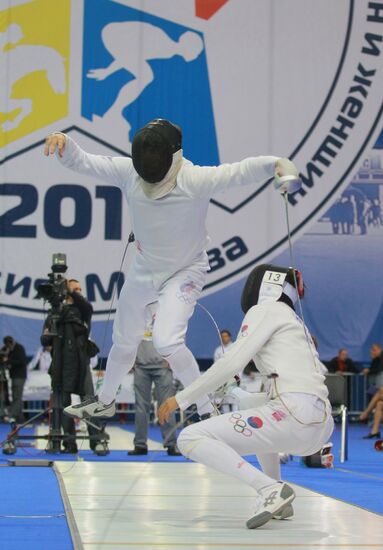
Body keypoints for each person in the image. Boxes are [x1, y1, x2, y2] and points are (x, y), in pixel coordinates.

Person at [45, 120, 300, 422]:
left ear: (173, 157)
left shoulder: (194, 179)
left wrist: (277, 164)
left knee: (167, 341)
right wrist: (64, 142)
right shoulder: (130, 172)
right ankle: (105, 400)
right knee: (124, 338)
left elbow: (240, 170)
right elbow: (86, 162)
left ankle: (206, 408)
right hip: (144, 267)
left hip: (185, 270)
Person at [158, 264, 333, 529]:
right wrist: (234, 389)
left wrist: (180, 398)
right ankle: (277, 496)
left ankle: (268, 489)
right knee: (253, 403)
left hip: (294, 415)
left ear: (265, 284)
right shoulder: (293, 319)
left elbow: (231, 362)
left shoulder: (266, 310)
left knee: (190, 437)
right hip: (320, 425)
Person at [43, 279, 108, 454]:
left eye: (79, 289)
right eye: (75, 289)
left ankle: (97, 441)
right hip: (61, 364)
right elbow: (45, 339)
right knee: (64, 405)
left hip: (81, 362)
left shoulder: (83, 310)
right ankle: (69, 443)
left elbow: (85, 305)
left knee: (88, 401)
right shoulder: (56, 313)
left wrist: (71, 291)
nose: (78, 292)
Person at [128, 305, 181, 456]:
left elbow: (178, 333)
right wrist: (130, 359)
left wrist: (174, 357)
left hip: (162, 366)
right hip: (141, 366)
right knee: (141, 407)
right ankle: (140, 444)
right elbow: (129, 338)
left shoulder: (167, 308)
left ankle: (171, 444)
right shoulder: (137, 311)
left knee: (167, 405)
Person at [1, 336, 27, 423]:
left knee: (17, 396)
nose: (8, 347)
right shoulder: (6, 348)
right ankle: (20, 417)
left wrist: (8, 360)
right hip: (12, 376)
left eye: (9, 345)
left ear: (12, 343)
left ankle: (12, 415)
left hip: (19, 376)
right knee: (16, 396)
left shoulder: (19, 348)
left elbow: (22, 361)